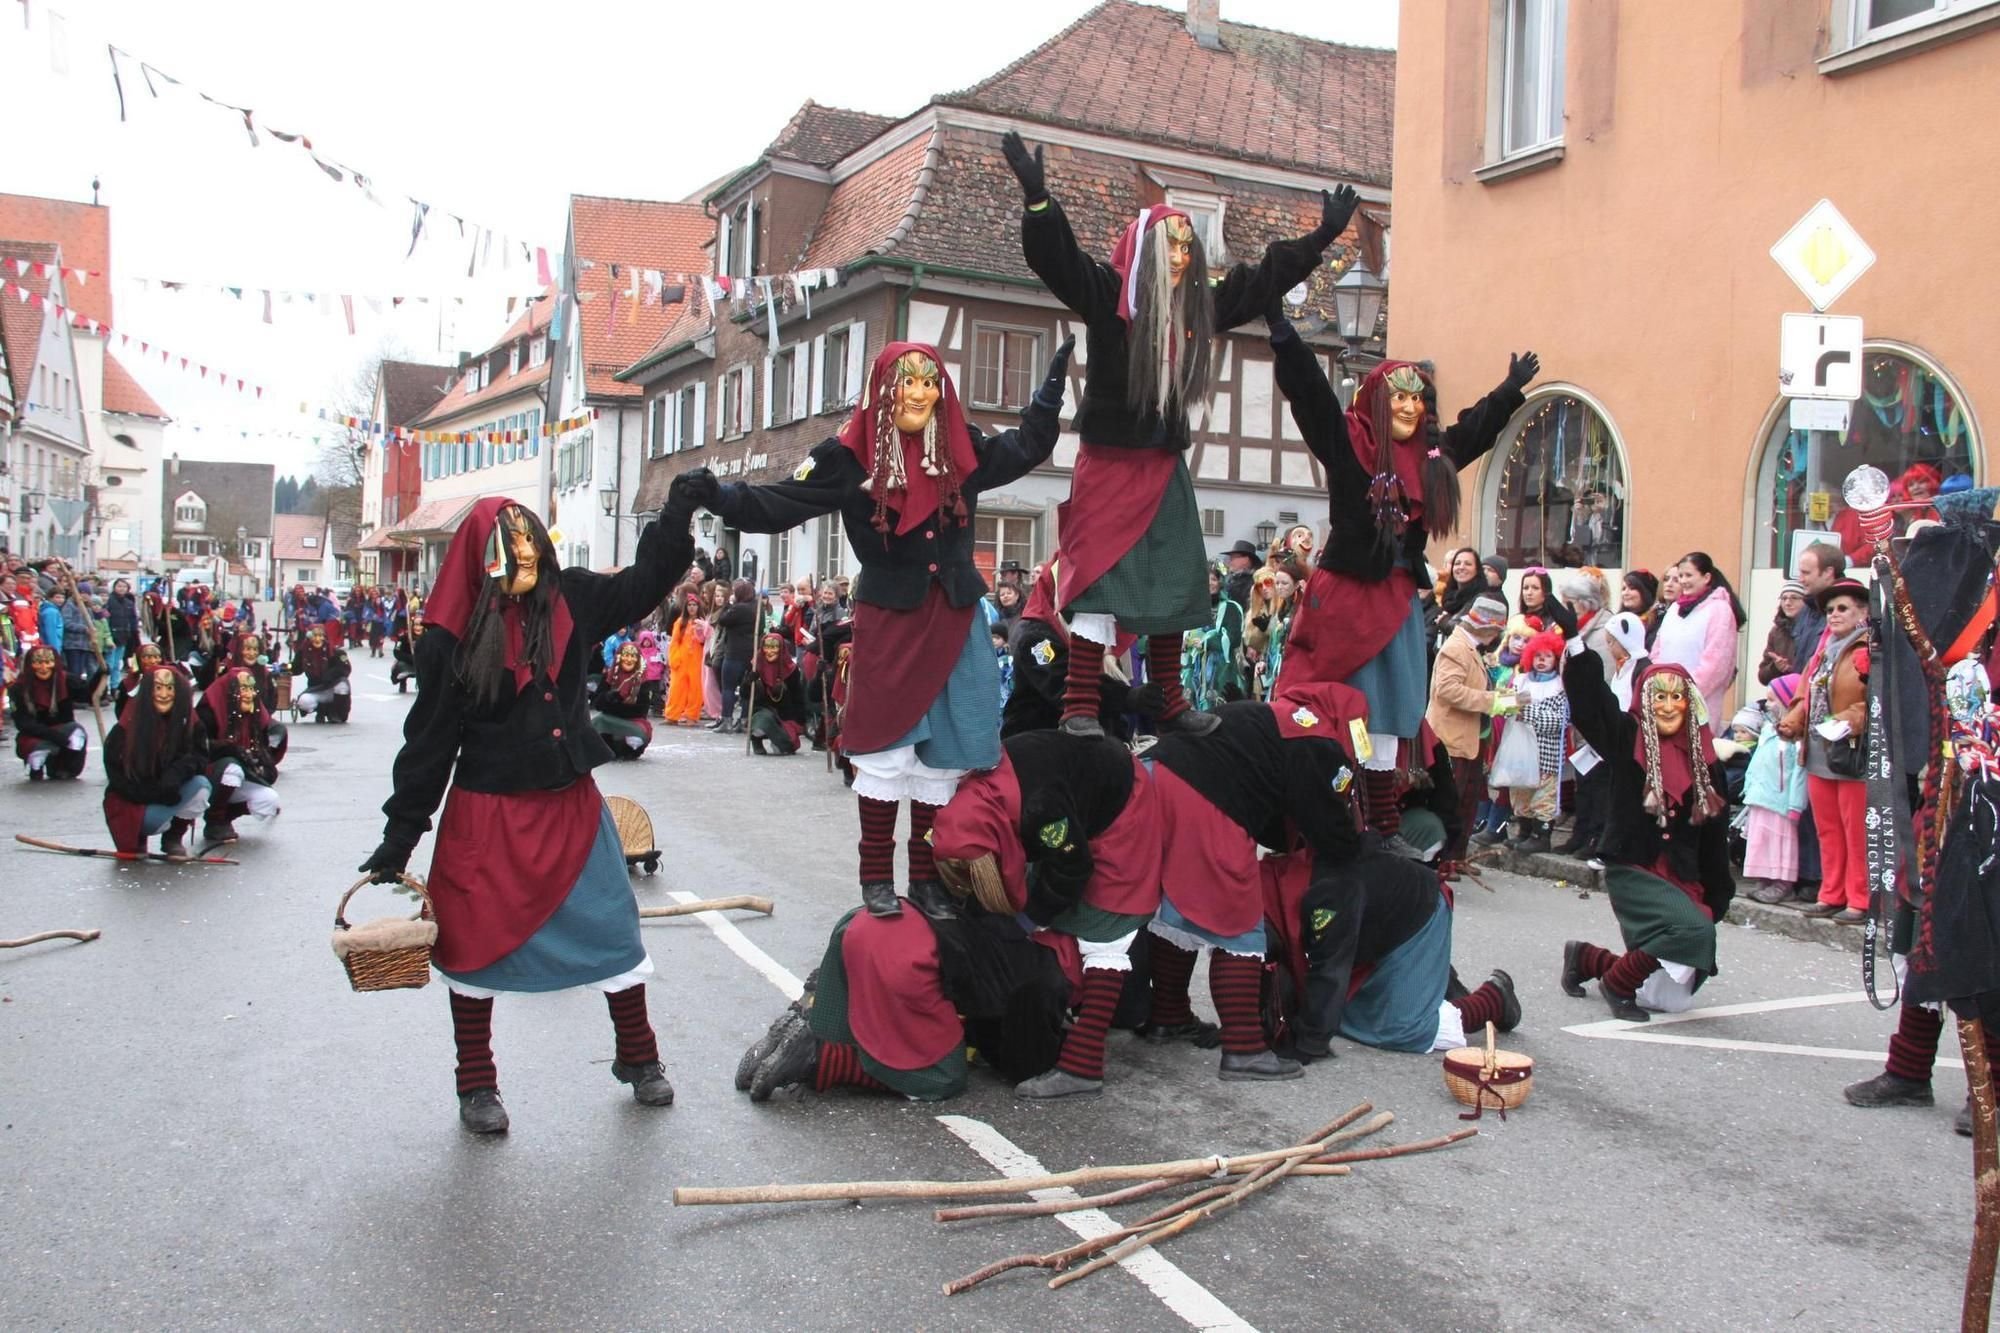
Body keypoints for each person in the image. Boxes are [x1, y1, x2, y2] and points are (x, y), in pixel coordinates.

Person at [683, 337, 1073, 920]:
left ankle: (926, 879)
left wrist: (1049, 394)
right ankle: (874, 878)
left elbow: (1025, 447)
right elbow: (781, 502)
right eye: (906, 382)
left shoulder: (961, 447)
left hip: (957, 615)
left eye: (929, 381)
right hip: (892, 617)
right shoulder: (848, 458)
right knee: (888, 751)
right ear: (882, 392)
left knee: (943, 755)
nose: (918, 393)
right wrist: (720, 495)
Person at [357, 489, 698, 1133]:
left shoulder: (573, 600)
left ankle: (638, 1055)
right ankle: (476, 1085)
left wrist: (675, 516)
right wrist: (400, 837)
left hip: (570, 808)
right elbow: (429, 745)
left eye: (528, 537)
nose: (522, 551)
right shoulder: (450, 641)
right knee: (471, 952)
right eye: (506, 543)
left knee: (614, 934)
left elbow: (643, 583)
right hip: (488, 818)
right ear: (481, 557)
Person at [1001, 128, 1354, 742]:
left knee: (1176, 583)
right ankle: (1080, 704)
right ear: (1146, 252)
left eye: (1190, 250)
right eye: (1173, 248)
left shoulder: (1196, 313)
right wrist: (1038, 198)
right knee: (1097, 584)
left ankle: (1166, 701)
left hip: (1163, 466)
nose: (1184, 259)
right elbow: (1056, 260)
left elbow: (1258, 281)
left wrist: (1321, 238)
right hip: (1109, 465)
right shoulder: (1108, 295)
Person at [1266, 302, 1536, 857]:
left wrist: (1509, 390)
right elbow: (1312, 397)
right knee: (1335, 706)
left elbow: (1476, 429)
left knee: (1388, 712)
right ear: (1376, 401)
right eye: (1400, 395)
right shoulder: (1349, 442)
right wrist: (1285, 335)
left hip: (1395, 603)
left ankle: (1382, 826)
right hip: (1345, 600)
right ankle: (1324, 811)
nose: (1411, 405)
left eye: (1419, 396)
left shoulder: (1433, 457)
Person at [1141, 681, 1369, 1081]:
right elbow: (1328, 824)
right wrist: (1355, 848)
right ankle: (1244, 1049)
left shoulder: (1264, 714)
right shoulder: (1319, 739)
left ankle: (1168, 1013)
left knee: (1175, 908)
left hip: (1153, 776)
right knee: (1238, 922)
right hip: (1205, 799)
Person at [930, 728, 1164, 1099]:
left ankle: (1083, 1067)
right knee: (1061, 910)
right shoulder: (976, 798)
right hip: (1077, 790)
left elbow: (1073, 867)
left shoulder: (1042, 812)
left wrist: (1030, 918)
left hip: (1123, 806)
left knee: (1103, 929)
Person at [1560, 654, 1735, 1022]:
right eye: (1659, 697)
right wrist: (1578, 650)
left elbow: (1715, 840)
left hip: (1681, 875)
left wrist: (1718, 895)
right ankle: (1617, 986)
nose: (1668, 706)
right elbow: (1591, 703)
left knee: (1667, 999)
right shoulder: (1627, 739)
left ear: (1690, 702)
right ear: (1644, 701)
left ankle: (1588, 959)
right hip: (1634, 865)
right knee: (1692, 931)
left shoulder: (1706, 762)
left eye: (1676, 697)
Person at [1262, 843, 1519, 1059]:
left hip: (1417, 915)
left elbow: (1328, 976)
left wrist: (1306, 1046)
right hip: (1374, 925)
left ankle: (1493, 999)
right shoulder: (1271, 884)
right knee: (1333, 1010)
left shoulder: (1325, 896)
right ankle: (1431, 983)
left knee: (1397, 1030)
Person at [1778, 577, 1871, 923]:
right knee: (1828, 829)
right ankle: (1831, 892)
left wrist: (1849, 719)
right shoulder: (1824, 650)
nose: (1833, 615)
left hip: (1850, 750)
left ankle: (1859, 899)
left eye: (1842, 608)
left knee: (1854, 829)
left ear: (1863, 612)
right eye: (1830, 609)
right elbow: (1805, 693)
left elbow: (1876, 701)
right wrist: (1792, 718)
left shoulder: (1868, 649)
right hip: (1818, 749)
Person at [1002, 556, 1139, 739]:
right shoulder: (1035, 638)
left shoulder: (1097, 638)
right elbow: (1061, 682)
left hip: (1085, 747)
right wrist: (1128, 697)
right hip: (1040, 746)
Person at [1425, 594, 1513, 869]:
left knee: (1467, 802)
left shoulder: (1471, 648)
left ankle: (1457, 857)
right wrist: (1492, 701)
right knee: (1451, 803)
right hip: (1451, 738)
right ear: (1486, 628)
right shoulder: (1456, 648)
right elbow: (1448, 690)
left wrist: (1498, 696)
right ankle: (1442, 860)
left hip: (1471, 738)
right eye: (1496, 631)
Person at [101, 665, 212, 858]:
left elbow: (200, 757)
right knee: (140, 832)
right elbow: (116, 775)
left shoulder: (191, 724)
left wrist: (177, 772)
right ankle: (136, 838)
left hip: (169, 797)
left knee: (201, 786)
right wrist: (154, 793)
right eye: (158, 688)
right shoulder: (125, 729)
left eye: (170, 688)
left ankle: (173, 837)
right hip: (133, 802)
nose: (163, 694)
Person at [1490, 628, 1567, 852]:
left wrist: (1527, 713)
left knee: (1543, 795)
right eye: (1537, 656)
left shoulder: (1559, 687)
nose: (1542, 661)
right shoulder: (1520, 681)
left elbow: (1557, 721)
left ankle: (1541, 835)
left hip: (1545, 754)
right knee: (1520, 792)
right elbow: (1504, 706)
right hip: (1520, 752)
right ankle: (1524, 831)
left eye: (1548, 656)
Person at [198, 666, 284, 845]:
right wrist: (229, 749)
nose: (248, 694)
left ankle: (225, 817)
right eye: (242, 689)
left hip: (241, 773)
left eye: (251, 689)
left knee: (269, 801)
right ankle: (214, 819)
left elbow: (260, 745)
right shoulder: (210, 709)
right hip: (210, 774)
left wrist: (264, 765)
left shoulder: (255, 713)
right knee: (232, 768)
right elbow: (200, 747)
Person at [1740, 674, 1807, 905]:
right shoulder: (1768, 730)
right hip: (1761, 796)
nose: (1767, 704)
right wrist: (1748, 787)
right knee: (1760, 839)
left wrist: (1796, 804)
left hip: (1781, 801)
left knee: (1780, 842)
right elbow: (1757, 762)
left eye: (1772, 699)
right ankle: (1764, 877)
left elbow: (1799, 773)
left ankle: (1782, 882)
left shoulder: (1795, 738)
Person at [1652, 552, 1747, 709]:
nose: (1683, 581)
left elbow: (1716, 665)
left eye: (1688, 575)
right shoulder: (1674, 609)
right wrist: (1659, 684)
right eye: (1680, 576)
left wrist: (1684, 693)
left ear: (1706, 577)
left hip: (1699, 702)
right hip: (1664, 699)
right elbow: (1657, 650)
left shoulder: (1719, 610)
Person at [12, 645, 88, 780]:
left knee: (76, 732)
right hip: (34, 734)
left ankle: (64, 767)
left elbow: (88, 695)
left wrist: (102, 673)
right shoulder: (19, 688)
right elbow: (23, 723)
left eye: (48, 663)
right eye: (38, 663)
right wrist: (52, 735)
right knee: (39, 746)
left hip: (63, 729)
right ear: (30, 665)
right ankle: (36, 765)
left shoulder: (66, 680)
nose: (43, 668)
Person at [746, 631, 809, 756]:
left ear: (781, 649)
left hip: (786, 714)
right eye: (767, 647)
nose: (770, 651)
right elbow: (744, 694)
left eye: (774, 647)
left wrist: (800, 720)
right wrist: (749, 681)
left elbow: (798, 695)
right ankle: (756, 739)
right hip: (763, 710)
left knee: (785, 748)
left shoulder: (791, 670)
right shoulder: (756, 666)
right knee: (763, 720)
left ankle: (781, 739)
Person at [708, 581, 759, 734]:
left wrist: (730, 605)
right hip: (751, 652)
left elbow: (722, 620)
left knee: (728, 687)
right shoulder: (757, 608)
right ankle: (744, 720)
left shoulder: (738, 608)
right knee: (746, 687)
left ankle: (726, 719)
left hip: (734, 652)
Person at [590, 640, 653, 759]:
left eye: (632, 656)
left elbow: (641, 710)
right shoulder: (609, 677)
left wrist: (617, 702)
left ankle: (628, 750)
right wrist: (609, 697)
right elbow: (597, 703)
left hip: (632, 722)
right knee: (598, 721)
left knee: (638, 735)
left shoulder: (643, 681)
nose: (629, 660)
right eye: (626, 655)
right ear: (619, 657)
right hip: (608, 720)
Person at [1789, 542, 1843, 669]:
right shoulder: (1806, 610)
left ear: (1828, 573)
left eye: (1806, 573)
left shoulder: (1848, 609)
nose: (1800, 579)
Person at [287, 624, 352, 723]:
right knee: (304, 702)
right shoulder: (303, 652)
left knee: (343, 685)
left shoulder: (336, 652)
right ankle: (320, 710)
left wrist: (331, 674)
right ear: (309, 637)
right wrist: (285, 668)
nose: (317, 639)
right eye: (314, 636)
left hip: (332, 688)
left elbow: (345, 668)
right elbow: (296, 668)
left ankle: (334, 712)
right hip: (315, 689)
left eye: (320, 636)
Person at [663, 588, 706, 725]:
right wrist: (674, 658)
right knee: (676, 688)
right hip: (681, 660)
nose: (692, 608)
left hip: (696, 660)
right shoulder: (680, 622)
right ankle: (672, 715)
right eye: (689, 605)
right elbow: (674, 642)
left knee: (695, 689)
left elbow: (705, 641)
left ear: (698, 607)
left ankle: (691, 716)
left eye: (694, 605)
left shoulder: (702, 623)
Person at [1430, 546, 1486, 647]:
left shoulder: (1481, 600)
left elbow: (1471, 633)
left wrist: (1445, 622)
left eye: (1468, 564)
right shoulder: (1448, 597)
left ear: (1477, 569)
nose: (1461, 567)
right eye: (1457, 563)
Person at [1758, 580, 1807, 685]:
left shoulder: (1814, 630)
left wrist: (1790, 669)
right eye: (1784, 598)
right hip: (1780, 695)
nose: (1788, 603)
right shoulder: (1776, 632)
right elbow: (1762, 677)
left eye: (1794, 598)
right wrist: (1775, 668)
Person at [1517, 567, 1578, 641]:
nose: (1529, 593)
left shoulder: (1554, 624)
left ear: (1546, 591)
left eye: (1535, 588)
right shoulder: (1517, 619)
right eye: (1525, 588)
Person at [105, 578, 139, 682]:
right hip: (110, 637)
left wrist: (133, 632)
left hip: (123, 637)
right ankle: (105, 688)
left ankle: (115, 686)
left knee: (117, 664)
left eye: (124, 586)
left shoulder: (129, 603)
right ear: (114, 587)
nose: (121, 589)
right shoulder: (109, 601)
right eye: (119, 586)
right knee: (108, 665)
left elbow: (133, 619)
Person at [390, 611, 425, 694]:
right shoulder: (404, 637)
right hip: (408, 663)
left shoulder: (428, 637)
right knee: (399, 665)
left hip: (423, 664)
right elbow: (397, 652)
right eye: (416, 624)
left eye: (420, 625)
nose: (418, 627)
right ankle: (402, 682)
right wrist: (410, 658)